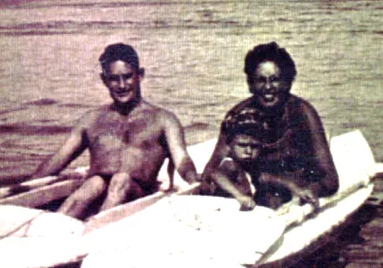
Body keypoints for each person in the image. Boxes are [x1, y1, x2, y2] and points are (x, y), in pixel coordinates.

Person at [31, 43, 199, 218]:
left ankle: (92, 228)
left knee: (120, 180)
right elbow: (58, 159)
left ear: (140, 75)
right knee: (93, 183)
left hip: (136, 196)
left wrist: (194, 180)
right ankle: (54, 229)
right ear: (104, 80)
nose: (121, 85)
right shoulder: (92, 119)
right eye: (113, 79)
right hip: (96, 194)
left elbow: (182, 159)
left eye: (127, 77)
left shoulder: (163, 119)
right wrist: (29, 184)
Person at [202, 42, 339, 210]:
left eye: (274, 80)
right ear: (251, 85)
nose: (268, 88)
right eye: (261, 80)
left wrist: (310, 190)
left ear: (287, 83)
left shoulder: (302, 113)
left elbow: (331, 179)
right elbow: (211, 170)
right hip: (253, 191)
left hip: (291, 189)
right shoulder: (239, 116)